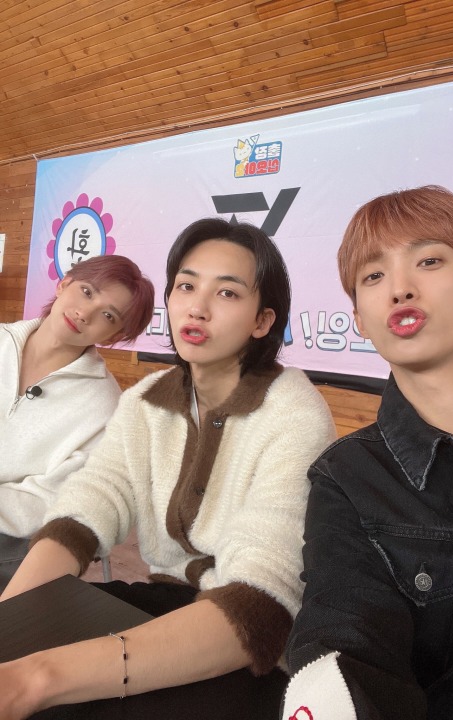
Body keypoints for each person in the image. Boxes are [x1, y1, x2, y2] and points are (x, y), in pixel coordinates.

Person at [0, 218, 336, 720]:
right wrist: (9, 623)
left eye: (227, 293)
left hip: (246, 646)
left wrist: (38, 679)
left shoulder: (294, 413)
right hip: (156, 602)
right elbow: (90, 503)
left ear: (263, 320)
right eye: (186, 286)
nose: (197, 307)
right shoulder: (144, 401)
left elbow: (263, 599)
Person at [282, 186, 453, 720]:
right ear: (359, 319)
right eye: (373, 276)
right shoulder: (345, 477)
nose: (400, 288)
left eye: (428, 261)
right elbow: (342, 635)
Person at [0, 254, 155, 589]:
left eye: (108, 315)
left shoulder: (104, 405)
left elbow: (55, 498)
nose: (85, 313)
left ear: (113, 336)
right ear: (64, 284)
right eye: (86, 292)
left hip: (14, 538)